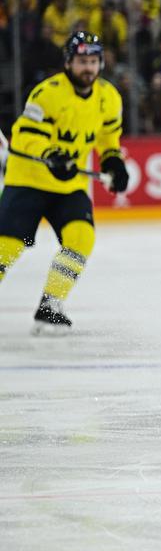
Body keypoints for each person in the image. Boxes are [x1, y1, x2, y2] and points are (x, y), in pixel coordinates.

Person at [0, 32, 129, 335]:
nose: (88, 68)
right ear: (69, 63)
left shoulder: (108, 97)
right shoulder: (47, 93)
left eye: (94, 62)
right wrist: (50, 155)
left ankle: (50, 306)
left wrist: (113, 162)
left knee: (81, 238)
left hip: (68, 186)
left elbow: (108, 139)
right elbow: (25, 135)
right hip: (27, 181)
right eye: (82, 61)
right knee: (6, 248)